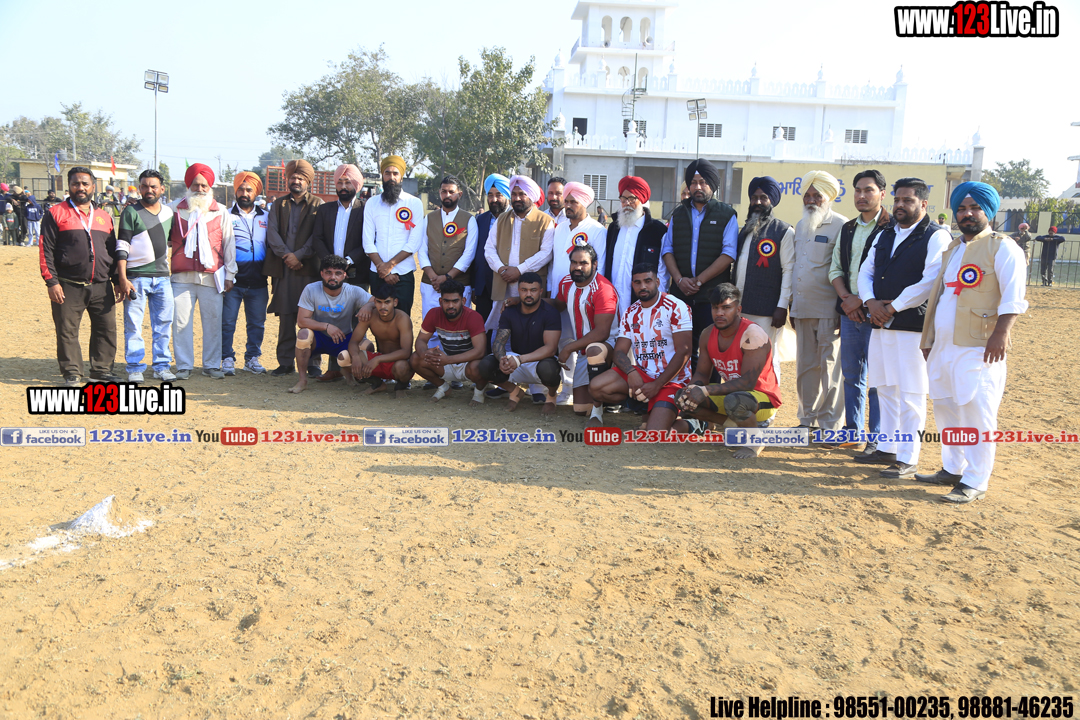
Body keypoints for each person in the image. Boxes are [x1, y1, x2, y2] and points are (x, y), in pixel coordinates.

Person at [918, 181, 1028, 503]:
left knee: (976, 409)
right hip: (943, 346)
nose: (967, 214)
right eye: (962, 209)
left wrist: (1000, 334)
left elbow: (1013, 296)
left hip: (979, 345)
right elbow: (940, 296)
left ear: (988, 211)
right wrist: (930, 339)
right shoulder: (953, 248)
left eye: (975, 208)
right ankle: (953, 468)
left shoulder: (1003, 247)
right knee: (946, 407)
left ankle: (976, 480)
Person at [855, 177, 950, 477]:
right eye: (897, 199)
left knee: (911, 391)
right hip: (879, 323)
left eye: (908, 200)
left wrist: (892, 307)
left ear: (923, 204)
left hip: (911, 326)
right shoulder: (885, 233)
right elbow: (865, 271)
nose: (900, 205)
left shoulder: (936, 236)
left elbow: (930, 281)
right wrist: (870, 302)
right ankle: (887, 447)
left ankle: (908, 457)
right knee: (884, 387)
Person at [675, 283, 783, 457]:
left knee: (735, 401)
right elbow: (702, 374)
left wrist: (705, 390)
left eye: (726, 308)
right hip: (733, 395)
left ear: (738, 309)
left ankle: (755, 440)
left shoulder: (752, 334)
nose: (719, 313)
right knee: (683, 398)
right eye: (715, 308)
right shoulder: (707, 334)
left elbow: (747, 383)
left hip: (762, 398)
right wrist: (692, 390)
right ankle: (733, 429)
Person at [39, 166, 122, 385]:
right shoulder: (55, 213)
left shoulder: (104, 216)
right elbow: (45, 250)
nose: (81, 187)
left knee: (106, 329)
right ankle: (72, 372)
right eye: (76, 183)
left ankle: (101, 370)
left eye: (85, 183)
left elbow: (112, 251)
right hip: (68, 284)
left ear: (93, 186)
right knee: (67, 330)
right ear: (69, 186)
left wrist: (116, 280)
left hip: (101, 285)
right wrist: (51, 282)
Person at [589, 264, 693, 431]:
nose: (643, 286)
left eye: (647, 281)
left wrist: (657, 385)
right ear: (632, 284)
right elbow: (619, 352)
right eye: (637, 282)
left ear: (657, 282)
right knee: (597, 387)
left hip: (672, 381)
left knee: (654, 434)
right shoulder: (631, 312)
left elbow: (684, 351)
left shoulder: (676, 306)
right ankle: (647, 407)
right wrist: (631, 372)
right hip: (643, 376)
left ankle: (696, 423)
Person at [830, 169, 891, 453]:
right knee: (852, 375)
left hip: (877, 314)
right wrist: (847, 299)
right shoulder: (848, 228)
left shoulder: (892, 228)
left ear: (882, 193)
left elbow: (892, 276)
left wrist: (862, 302)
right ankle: (852, 431)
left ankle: (876, 438)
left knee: (877, 379)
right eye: (858, 190)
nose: (862, 195)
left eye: (869, 190)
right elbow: (835, 269)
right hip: (849, 312)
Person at [789, 170, 848, 432]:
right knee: (805, 367)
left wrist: (841, 309)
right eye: (807, 195)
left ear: (829, 197)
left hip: (829, 310)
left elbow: (844, 269)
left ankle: (830, 425)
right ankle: (807, 420)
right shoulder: (801, 226)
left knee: (831, 369)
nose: (811, 200)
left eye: (817, 195)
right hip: (802, 309)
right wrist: (792, 304)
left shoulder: (842, 225)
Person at [662, 158, 738, 355]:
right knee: (680, 349)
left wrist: (698, 281)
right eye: (693, 182)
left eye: (703, 182)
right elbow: (667, 250)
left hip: (711, 297)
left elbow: (728, 254)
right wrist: (679, 280)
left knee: (710, 350)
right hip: (680, 296)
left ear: (712, 185)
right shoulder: (678, 214)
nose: (697, 187)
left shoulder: (727, 214)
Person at [168, 163, 237, 380]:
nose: (200, 189)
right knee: (180, 323)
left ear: (210, 187)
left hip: (211, 277)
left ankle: (211, 365)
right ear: (188, 185)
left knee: (213, 322)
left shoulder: (221, 211)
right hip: (181, 278)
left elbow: (229, 244)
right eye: (196, 185)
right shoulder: (173, 209)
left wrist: (230, 274)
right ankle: (184, 365)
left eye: (204, 185)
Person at [466, 272, 562, 414]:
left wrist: (520, 359)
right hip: (516, 359)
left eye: (533, 290)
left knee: (549, 369)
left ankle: (551, 396)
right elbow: (499, 342)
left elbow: (550, 348)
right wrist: (501, 359)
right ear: (518, 291)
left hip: (541, 360)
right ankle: (514, 391)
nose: (528, 294)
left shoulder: (550, 312)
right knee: (486, 365)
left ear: (541, 291)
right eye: (524, 290)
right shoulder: (509, 311)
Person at [547, 181, 606, 403]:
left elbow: (600, 266)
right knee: (563, 341)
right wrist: (552, 291)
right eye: (567, 201)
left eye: (574, 202)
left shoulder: (597, 230)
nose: (568, 205)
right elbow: (554, 264)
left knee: (583, 341)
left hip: (585, 296)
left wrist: (592, 295)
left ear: (585, 204)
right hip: (560, 295)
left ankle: (586, 390)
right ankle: (566, 389)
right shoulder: (559, 227)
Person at [115, 169, 176, 382]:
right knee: (133, 325)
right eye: (144, 186)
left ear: (162, 189)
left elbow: (171, 240)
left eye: (153, 186)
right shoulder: (130, 212)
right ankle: (134, 368)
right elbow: (122, 245)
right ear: (139, 188)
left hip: (163, 278)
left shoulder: (169, 212)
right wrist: (122, 278)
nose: (149, 190)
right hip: (136, 278)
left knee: (163, 324)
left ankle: (162, 366)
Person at [732, 176, 795, 381]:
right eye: (754, 197)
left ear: (772, 201)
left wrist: (781, 306)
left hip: (767, 310)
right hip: (740, 307)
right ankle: (743, 397)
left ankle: (770, 399)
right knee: (742, 356)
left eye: (763, 198)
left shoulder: (783, 231)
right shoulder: (745, 230)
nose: (757, 202)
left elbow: (789, 270)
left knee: (767, 356)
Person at [266, 159, 324, 377]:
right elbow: (272, 233)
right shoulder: (278, 205)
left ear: (308, 181)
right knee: (286, 315)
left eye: (300, 178)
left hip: (308, 270)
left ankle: (313, 363)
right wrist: (287, 256)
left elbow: (317, 235)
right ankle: (285, 362)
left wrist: (298, 255)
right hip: (284, 270)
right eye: (293, 177)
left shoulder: (318, 204)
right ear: (287, 180)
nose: (296, 181)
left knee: (312, 317)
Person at [551, 244, 619, 425]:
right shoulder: (566, 283)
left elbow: (602, 332)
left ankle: (598, 410)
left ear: (595, 264)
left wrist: (568, 348)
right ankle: (601, 396)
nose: (577, 267)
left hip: (611, 346)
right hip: (584, 350)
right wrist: (523, 302)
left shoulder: (603, 289)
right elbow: (557, 305)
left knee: (594, 349)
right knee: (580, 409)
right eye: (574, 262)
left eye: (583, 263)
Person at [288, 255, 374, 394]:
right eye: (328, 272)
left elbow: (376, 301)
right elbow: (302, 321)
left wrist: (368, 306)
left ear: (345, 275)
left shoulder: (353, 291)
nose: (333, 277)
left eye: (338, 273)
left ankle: (349, 373)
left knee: (367, 346)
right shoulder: (311, 289)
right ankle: (302, 380)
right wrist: (327, 326)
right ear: (322, 273)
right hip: (319, 338)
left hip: (344, 338)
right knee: (303, 334)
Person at [484, 175, 555, 332]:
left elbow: (546, 253)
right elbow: (489, 248)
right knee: (500, 325)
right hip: (503, 282)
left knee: (530, 326)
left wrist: (519, 270)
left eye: (522, 194)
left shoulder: (545, 220)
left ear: (531, 196)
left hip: (531, 286)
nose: (517, 198)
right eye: (514, 194)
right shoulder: (502, 219)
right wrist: (501, 269)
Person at [417, 175, 477, 355]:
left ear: (459, 194)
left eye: (451, 191)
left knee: (458, 329)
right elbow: (422, 249)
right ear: (439, 193)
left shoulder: (469, 219)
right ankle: (433, 366)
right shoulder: (429, 218)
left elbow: (469, 254)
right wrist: (433, 276)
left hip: (459, 283)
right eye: (444, 191)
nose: (447, 195)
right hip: (431, 284)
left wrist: (448, 277)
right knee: (431, 327)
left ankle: (457, 367)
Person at [222, 171, 270, 375]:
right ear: (235, 190)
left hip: (259, 280)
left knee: (257, 324)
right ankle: (226, 357)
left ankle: (252, 358)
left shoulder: (266, 217)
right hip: (232, 281)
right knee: (227, 322)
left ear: (256, 192)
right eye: (241, 189)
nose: (244, 193)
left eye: (249, 190)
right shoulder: (225, 215)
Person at [363, 154, 424, 314]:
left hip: (403, 274)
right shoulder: (371, 203)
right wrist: (382, 269)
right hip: (377, 273)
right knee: (379, 320)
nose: (391, 177)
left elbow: (414, 242)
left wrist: (389, 266)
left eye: (395, 173)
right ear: (382, 175)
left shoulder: (414, 203)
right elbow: (367, 241)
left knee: (403, 319)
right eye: (387, 173)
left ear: (401, 176)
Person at [410, 279, 487, 401]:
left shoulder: (473, 317)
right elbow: (421, 340)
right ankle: (443, 387)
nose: (450, 306)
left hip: (468, 363)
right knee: (415, 358)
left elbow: (480, 351)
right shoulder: (433, 314)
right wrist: (425, 353)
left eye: (455, 301)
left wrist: (448, 360)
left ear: (463, 301)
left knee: (480, 366)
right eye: (446, 301)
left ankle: (479, 392)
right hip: (447, 361)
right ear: (440, 301)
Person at [603, 175, 668, 319]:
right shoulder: (614, 228)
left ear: (642, 200)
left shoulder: (657, 230)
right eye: (623, 199)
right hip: (613, 300)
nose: (627, 203)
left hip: (644, 301)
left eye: (632, 199)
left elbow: (662, 271)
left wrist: (659, 301)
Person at [344, 284, 414, 397]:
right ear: (374, 302)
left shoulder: (402, 318)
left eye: (387, 302)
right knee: (345, 357)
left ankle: (401, 386)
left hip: (397, 362)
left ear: (395, 302)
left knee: (402, 366)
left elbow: (406, 352)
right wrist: (356, 357)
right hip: (379, 361)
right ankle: (377, 384)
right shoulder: (370, 316)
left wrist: (377, 359)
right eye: (379, 302)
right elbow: (353, 342)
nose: (382, 306)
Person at [312, 164, 369, 290]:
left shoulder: (366, 209)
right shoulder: (324, 209)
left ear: (356, 184)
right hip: (329, 275)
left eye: (348, 182)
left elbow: (369, 241)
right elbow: (317, 238)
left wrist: (347, 261)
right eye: (340, 182)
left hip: (357, 274)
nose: (343, 187)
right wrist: (331, 264)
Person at [470, 174, 510, 327]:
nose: (494, 200)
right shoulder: (480, 220)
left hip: (508, 283)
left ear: (507, 195)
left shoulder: (516, 219)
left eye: (499, 195)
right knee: (483, 328)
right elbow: (476, 253)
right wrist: (474, 286)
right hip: (483, 285)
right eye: (490, 195)